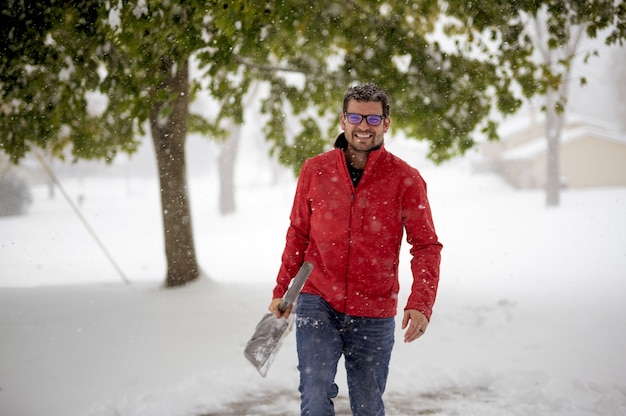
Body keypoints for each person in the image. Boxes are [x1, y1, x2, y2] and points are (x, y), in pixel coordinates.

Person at [268, 82, 442, 416]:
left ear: (386, 123)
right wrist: (282, 290)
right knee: (315, 394)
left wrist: (421, 302)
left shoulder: (406, 178)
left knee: (367, 405)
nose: (363, 126)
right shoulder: (315, 170)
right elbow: (298, 234)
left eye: (373, 119)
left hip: (374, 309)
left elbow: (426, 245)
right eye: (355, 117)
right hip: (318, 301)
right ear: (343, 120)